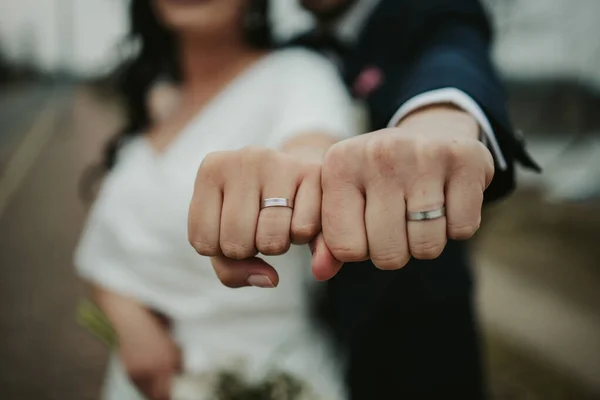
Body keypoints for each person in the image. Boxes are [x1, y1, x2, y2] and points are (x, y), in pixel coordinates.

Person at [189, 0, 541, 398]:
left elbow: (452, 61)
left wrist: (437, 123)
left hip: (417, 335)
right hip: (305, 332)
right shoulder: (289, 55)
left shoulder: (435, 12)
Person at [74, 0, 357, 399]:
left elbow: (312, 154)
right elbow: (104, 255)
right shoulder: (159, 106)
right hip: (138, 382)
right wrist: (129, 323)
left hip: (266, 378)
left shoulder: (299, 76)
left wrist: (297, 177)